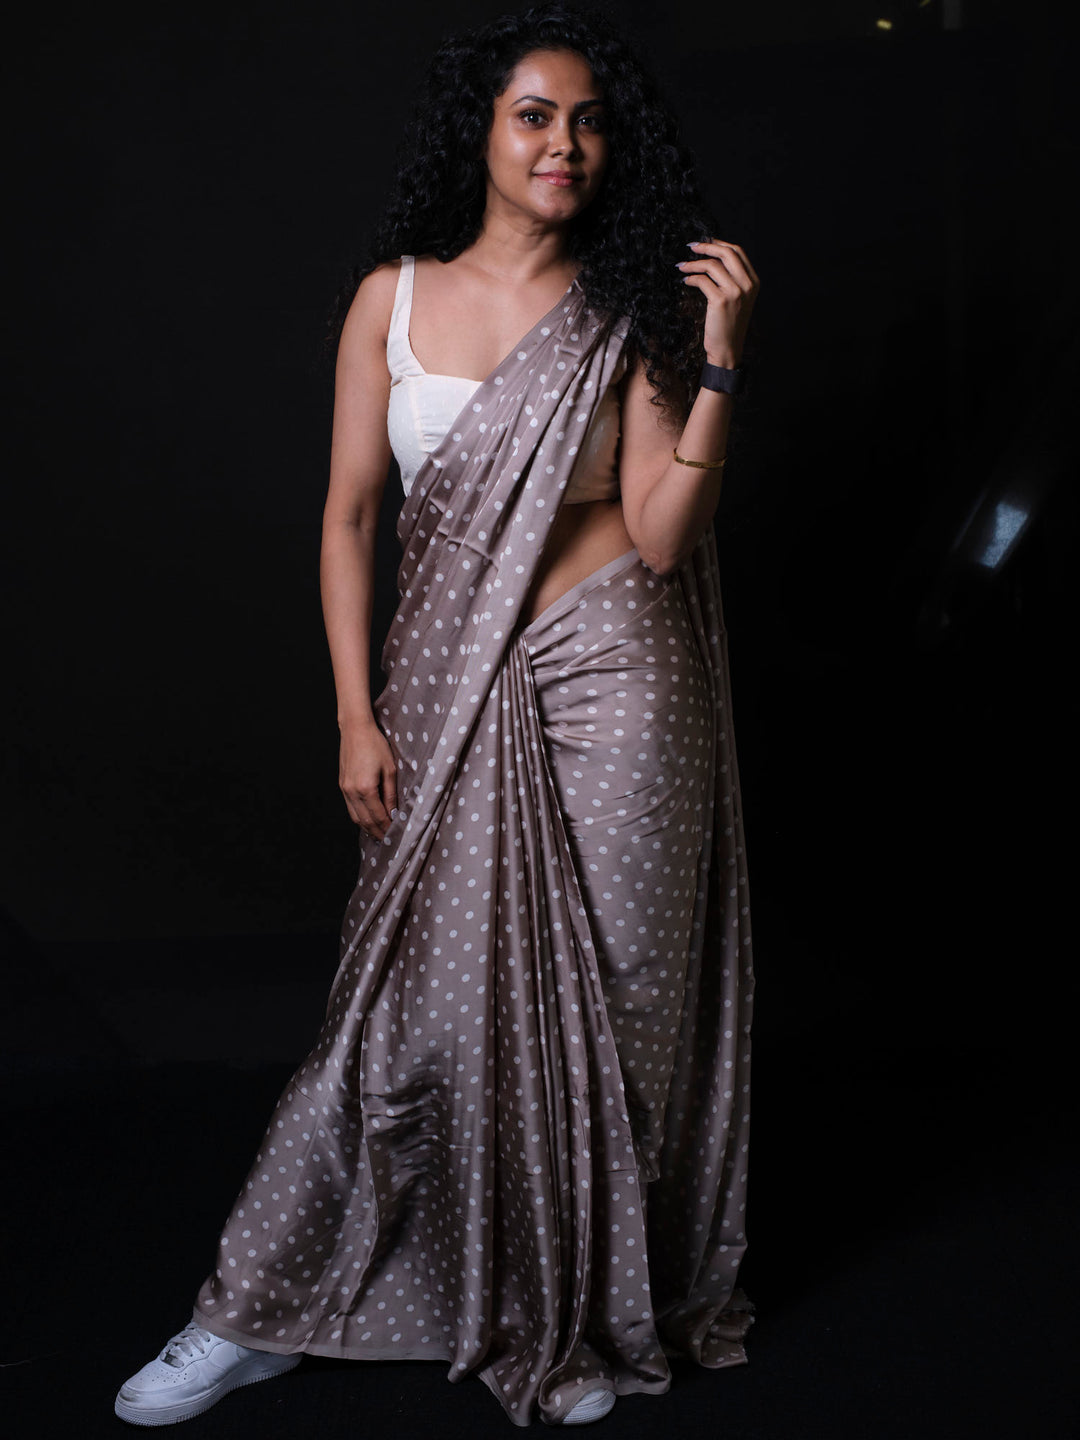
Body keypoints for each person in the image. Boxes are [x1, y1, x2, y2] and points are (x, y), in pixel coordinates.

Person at [115, 2, 759, 1428]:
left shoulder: (634, 304)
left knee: (626, 1011)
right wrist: (355, 713)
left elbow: (659, 533)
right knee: (401, 1022)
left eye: (590, 119)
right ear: (481, 129)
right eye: (536, 114)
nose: (565, 145)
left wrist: (715, 361)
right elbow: (350, 520)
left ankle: (572, 1312)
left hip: (624, 684)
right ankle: (258, 1310)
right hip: (441, 691)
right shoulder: (390, 299)